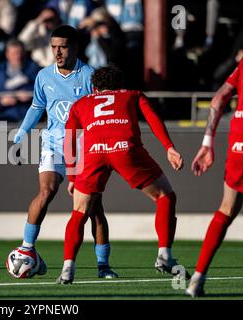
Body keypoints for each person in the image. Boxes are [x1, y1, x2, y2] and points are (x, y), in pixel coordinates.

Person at [58, 65, 186, 283]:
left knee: (79, 212)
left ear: (95, 88)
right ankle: (164, 255)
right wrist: (169, 147)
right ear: (120, 85)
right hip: (125, 149)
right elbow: (153, 118)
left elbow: (69, 139)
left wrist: (72, 177)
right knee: (165, 196)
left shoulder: (81, 103)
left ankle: (67, 268)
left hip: (93, 154)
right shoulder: (132, 94)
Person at [13, 25, 118, 279]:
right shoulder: (43, 76)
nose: (57, 52)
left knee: (94, 208)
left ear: (75, 48)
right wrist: (19, 137)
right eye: (54, 47)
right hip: (53, 144)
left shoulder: (90, 76)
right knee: (46, 191)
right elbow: (37, 108)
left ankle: (103, 265)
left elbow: (103, 112)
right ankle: (27, 248)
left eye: (63, 47)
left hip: (83, 148)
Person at [187, 49, 243, 297]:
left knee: (226, 209)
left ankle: (197, 278)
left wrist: (207, 142)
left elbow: (219, 97)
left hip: (241, 137)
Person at [0, 39, 40, 124]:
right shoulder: (0, 73)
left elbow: (44, 94)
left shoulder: (34, 70)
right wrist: (1, 101)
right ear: (7, 55)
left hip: (27, 115)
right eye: (14, 53)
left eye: (20, 53)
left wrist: (31, 95)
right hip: (6, 115)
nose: (18, 56)